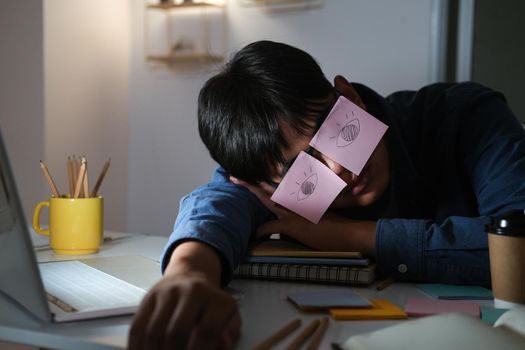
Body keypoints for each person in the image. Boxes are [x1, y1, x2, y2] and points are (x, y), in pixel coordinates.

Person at [129, 40, 525, 349]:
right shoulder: (271, 188)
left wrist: (352, 237)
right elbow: (218, 201)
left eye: (337, 132)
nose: (340, 167)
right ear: (268, 188)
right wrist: (187, 275)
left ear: (349, 97)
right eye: (305, 170)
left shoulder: (469, 116)